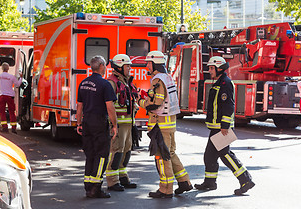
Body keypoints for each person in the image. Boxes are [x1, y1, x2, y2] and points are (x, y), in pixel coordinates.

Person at [194, 56, 255, 195]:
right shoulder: (219, 82)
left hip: (221, 128)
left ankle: (246, 179)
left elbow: (228, 106)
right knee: (209, 156)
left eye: (211, 68)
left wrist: (225, 126)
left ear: (219, 68)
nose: (209, 71)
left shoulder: (225, 83)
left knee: (225, 155)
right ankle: (210, 183)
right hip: (216, 127)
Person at [137, 51, 192, 198]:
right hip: (170, 124)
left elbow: (156, 103)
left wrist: (140, 102)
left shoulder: (157, 79)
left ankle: (165, 189)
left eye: (149, 63)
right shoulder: (167, 77)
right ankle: (184, 182)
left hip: (160, 125)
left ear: (155, 64)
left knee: (162, 158)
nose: (147, 65)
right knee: (170, 154)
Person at [76, 56, 118, 199]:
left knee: (90, 154)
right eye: (105, 65)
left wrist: (78, 123)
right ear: (100, 66)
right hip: (99, 122)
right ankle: (96, 188)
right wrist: (114, 125)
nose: (106, 68)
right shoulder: (104, 84)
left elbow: (79, 106)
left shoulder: (83, 83)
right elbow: (110, 107)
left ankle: (88, 186)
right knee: (101, 156)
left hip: (87, 121)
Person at [105, 54, 138, 191]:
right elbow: (109, 105)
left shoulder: (125, 82)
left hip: (128, 124)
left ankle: (123, 177)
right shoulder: (111, 83)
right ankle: (112, 181)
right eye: (127, 66)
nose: (130, 68)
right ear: (119, 67)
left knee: (126, 151)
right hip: (118, 124)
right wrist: (113, 124)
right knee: (116, 152)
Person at [0, 62, 22, 133]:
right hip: (10, 96)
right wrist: (21, 77)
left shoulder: (0, 76)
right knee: (12, 111)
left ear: (2, 68)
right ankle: (13, 128)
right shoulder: (11, 77)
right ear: (8, 68)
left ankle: (4, 127)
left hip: (2, 95)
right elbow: (17, 84)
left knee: (2, 111)